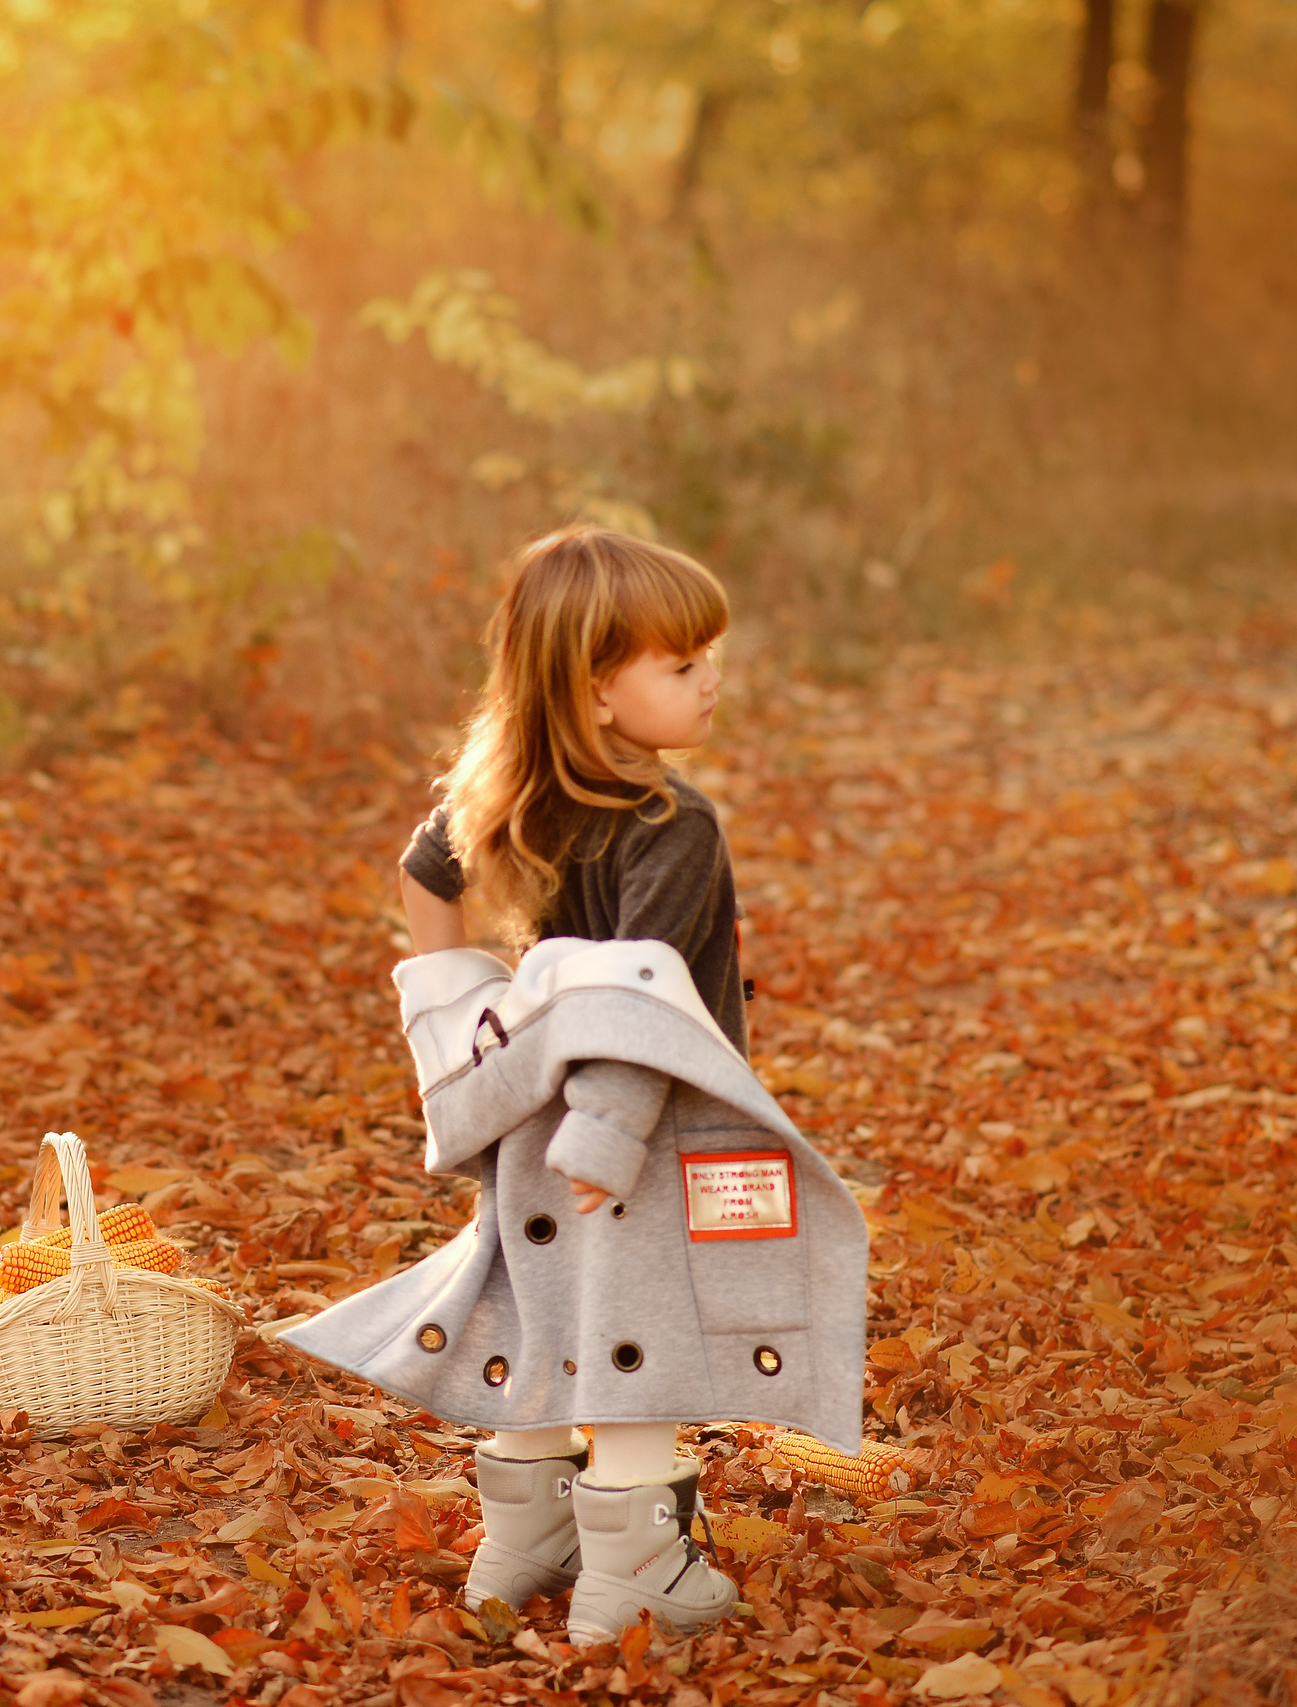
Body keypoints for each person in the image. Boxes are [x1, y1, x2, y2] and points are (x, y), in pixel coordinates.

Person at [281, 525, 868, 1645]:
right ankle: (633, 1575)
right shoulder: (672, 825)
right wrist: (605, 1134)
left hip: (532, 1117)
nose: (712, 682)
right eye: (682, 664)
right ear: (598, 692)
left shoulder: (514, 800)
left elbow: (424, 872)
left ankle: (526, 1540)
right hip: (637, 1130)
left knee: (545, 1312)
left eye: (708, 658)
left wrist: (461, 1028)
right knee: (636, 1336)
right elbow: (639, 1009)